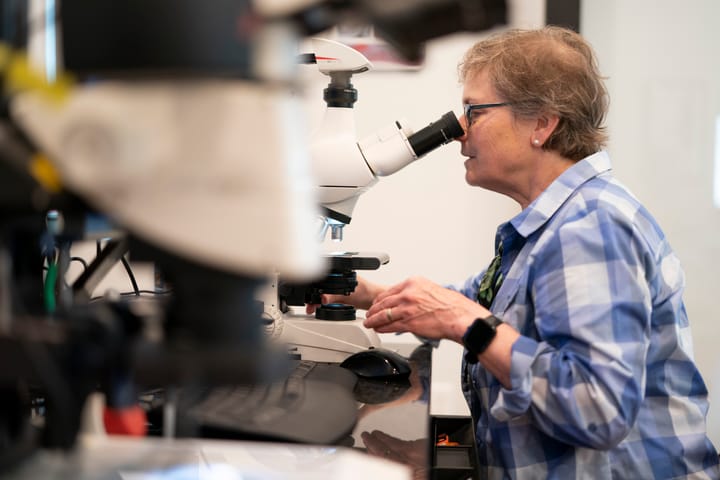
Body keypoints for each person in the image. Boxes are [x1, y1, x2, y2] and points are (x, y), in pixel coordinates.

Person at [314, 26, 720, 479]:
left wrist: (465, 323)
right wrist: (363, 291)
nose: (457, 132)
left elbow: (596, 408)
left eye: (474, 111)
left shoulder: (591, 228)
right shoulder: (551, 226)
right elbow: (481, 303)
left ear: (542, 125)